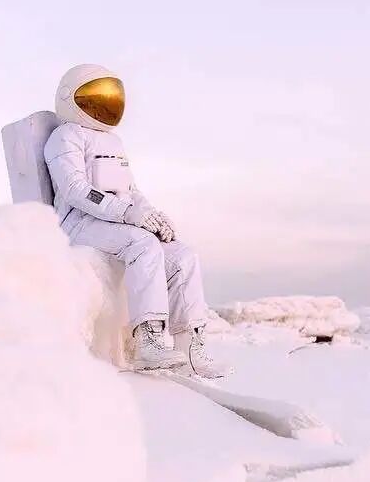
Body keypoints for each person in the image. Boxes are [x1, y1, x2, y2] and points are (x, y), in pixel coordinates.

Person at [44, 64, 233, 378]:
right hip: (79, 223)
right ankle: (148, 340)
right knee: (142, 244)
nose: (102, 106)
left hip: (115, 223)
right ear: (69, 97)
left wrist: (152, 217)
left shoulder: (113, 143)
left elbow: (131, 191)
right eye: (92, 99)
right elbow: (76, 190)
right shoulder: (65, 137)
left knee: (182, 255)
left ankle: (190, 349)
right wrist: (129, 215)